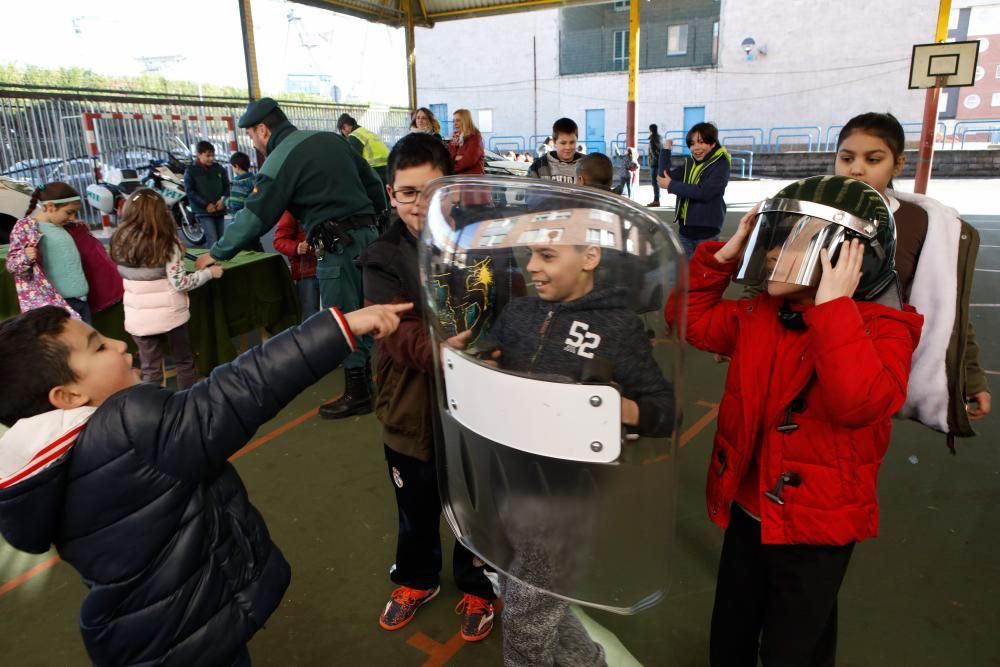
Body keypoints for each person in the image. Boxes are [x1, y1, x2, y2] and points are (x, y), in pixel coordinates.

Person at [0, 301, 409, 667]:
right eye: (99, 346)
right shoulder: (129, 427)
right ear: (67, 396)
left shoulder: (44, 464)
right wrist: (339, 327)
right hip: (185, 638)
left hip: (149, 636)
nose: (120, 344)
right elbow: (237, 391)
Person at [671, 176, 923, 666]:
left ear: (848, 257)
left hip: (818, 530)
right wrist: (719, 259)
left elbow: (861, 402)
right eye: (772, 237)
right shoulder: (760, 312)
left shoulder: (886, 328)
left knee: (795, 644)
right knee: (732, 628)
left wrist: (832, 309)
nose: (769, 254)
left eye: (791, 242)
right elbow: (688, 321)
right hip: (748, 508)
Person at [480, 230, 674, 667]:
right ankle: (589, 661)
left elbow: (665, 410)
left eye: (547, 255)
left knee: (526, 628)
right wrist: (483, 361)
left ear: (590, 257)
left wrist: (618, 407)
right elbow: (494, 356)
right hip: (506, 480)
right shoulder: (518, 313)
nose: (531, 266)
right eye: (530, 253)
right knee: (530, 599)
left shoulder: (618, 326)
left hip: (563, 500)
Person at [362, 133, 498, 642]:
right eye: (407, 193)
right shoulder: (382, 256)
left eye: (432, 190)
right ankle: (417, 578)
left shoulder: (486, 242)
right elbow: (395, 332)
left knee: (476, 504)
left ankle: (479, 586)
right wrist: (443, 351)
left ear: (455, 188)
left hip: (478, 408)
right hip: (410, 409)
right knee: (415, 506)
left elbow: (513, 301)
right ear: (392, 194)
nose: (419, 205)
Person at [196, 98, 388, 420]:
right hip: (368, 237)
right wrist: (376, 221)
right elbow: (372, 182)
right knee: (365, 309)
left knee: (342, 316)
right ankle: (366, 384)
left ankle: (358, 393)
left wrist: (216, 253)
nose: (254, 144)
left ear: (263, 129)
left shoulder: (281, 157)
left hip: (337, 246)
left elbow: (255, 216)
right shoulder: (332, 140)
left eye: (253, 137)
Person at [834, 112, 991, 438]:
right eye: (846, 157)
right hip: (808, 356)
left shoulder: (923, 223)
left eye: (873, 159)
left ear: (897, 164)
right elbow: (772, 275)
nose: (856, 168)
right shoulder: (810, 208)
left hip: (875, 369)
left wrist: (970, 376)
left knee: (850, 464)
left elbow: (947, 305)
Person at [109, 189, 223, 389]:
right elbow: (180, 283)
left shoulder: (120, 242)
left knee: (150, 369)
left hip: (138, 319)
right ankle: (188, 401)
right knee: (184, 362)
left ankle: (153, 408)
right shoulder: (167, 244)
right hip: (170, 317)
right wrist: (209, 273)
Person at [5, 182, 91, 322]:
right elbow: (11, 265)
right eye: (69, 212)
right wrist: (25, 256)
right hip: (56, 305)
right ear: (50, 206)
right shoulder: (26, 227)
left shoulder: (65, 227)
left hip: (81, 301)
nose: (72, 217)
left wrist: (79, 229)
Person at [657, 122, 731, 258]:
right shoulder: (690, 163)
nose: (695, 147)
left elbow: (704, 192)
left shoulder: (721, 164)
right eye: (692, 144)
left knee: (703, 274)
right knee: (686, 272)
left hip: (706, 232)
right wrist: (666, 150)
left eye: (701, 142)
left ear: (713, 143)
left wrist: (671, 185)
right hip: (685, 230)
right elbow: (663, 178)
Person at [272, 211, 320, 320]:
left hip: (329, 267)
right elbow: (279, 241)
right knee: (310, 316)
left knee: (336, 312)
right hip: (308, 272)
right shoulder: (292, 211)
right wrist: (296, 247)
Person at [183, 140, 230, 249]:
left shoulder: (219, 169)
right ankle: (212, 263)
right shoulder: (190, 171)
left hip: (220, 209)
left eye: (213, 155)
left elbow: (227, 186)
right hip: (203, 211)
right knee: (212, 239)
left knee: (221, 239)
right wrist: (206, 204)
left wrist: (223, 200)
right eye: (208, 156)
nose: (211, 158)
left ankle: (221, 263)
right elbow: (190, 191)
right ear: (198, 154)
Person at [338, 112, 391, 186]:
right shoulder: (368, 133)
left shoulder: (354, 136)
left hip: (375, 172)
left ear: (345, 126)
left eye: (342, 131)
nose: (344, 135)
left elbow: (351, 160)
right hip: (389, 170)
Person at [528, 118, 586, 183]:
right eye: (563, 143)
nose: (568, 147)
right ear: (554, 143)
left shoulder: (587, 164)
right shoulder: (539, 165)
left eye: (572, 142)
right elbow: (529, 190)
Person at [448, 109, 486, 176]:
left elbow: (468, 161)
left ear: (466, 121)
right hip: (457, 180)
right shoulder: (455, 137)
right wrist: (457, 157)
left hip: (472, 181)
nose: (455, 124)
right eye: (453, 121)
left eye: (458, 120)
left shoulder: (475, 137)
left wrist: (449, 169)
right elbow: (448, 157)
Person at [647, 124, 663, 206]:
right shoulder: (660, 138)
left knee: (654, 182)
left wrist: (655, 160)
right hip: (659, 163)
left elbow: (653, 153)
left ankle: (656, 201)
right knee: (657, 182)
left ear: (650, 130)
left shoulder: (652, 139)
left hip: (654, 164)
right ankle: (657, 198)